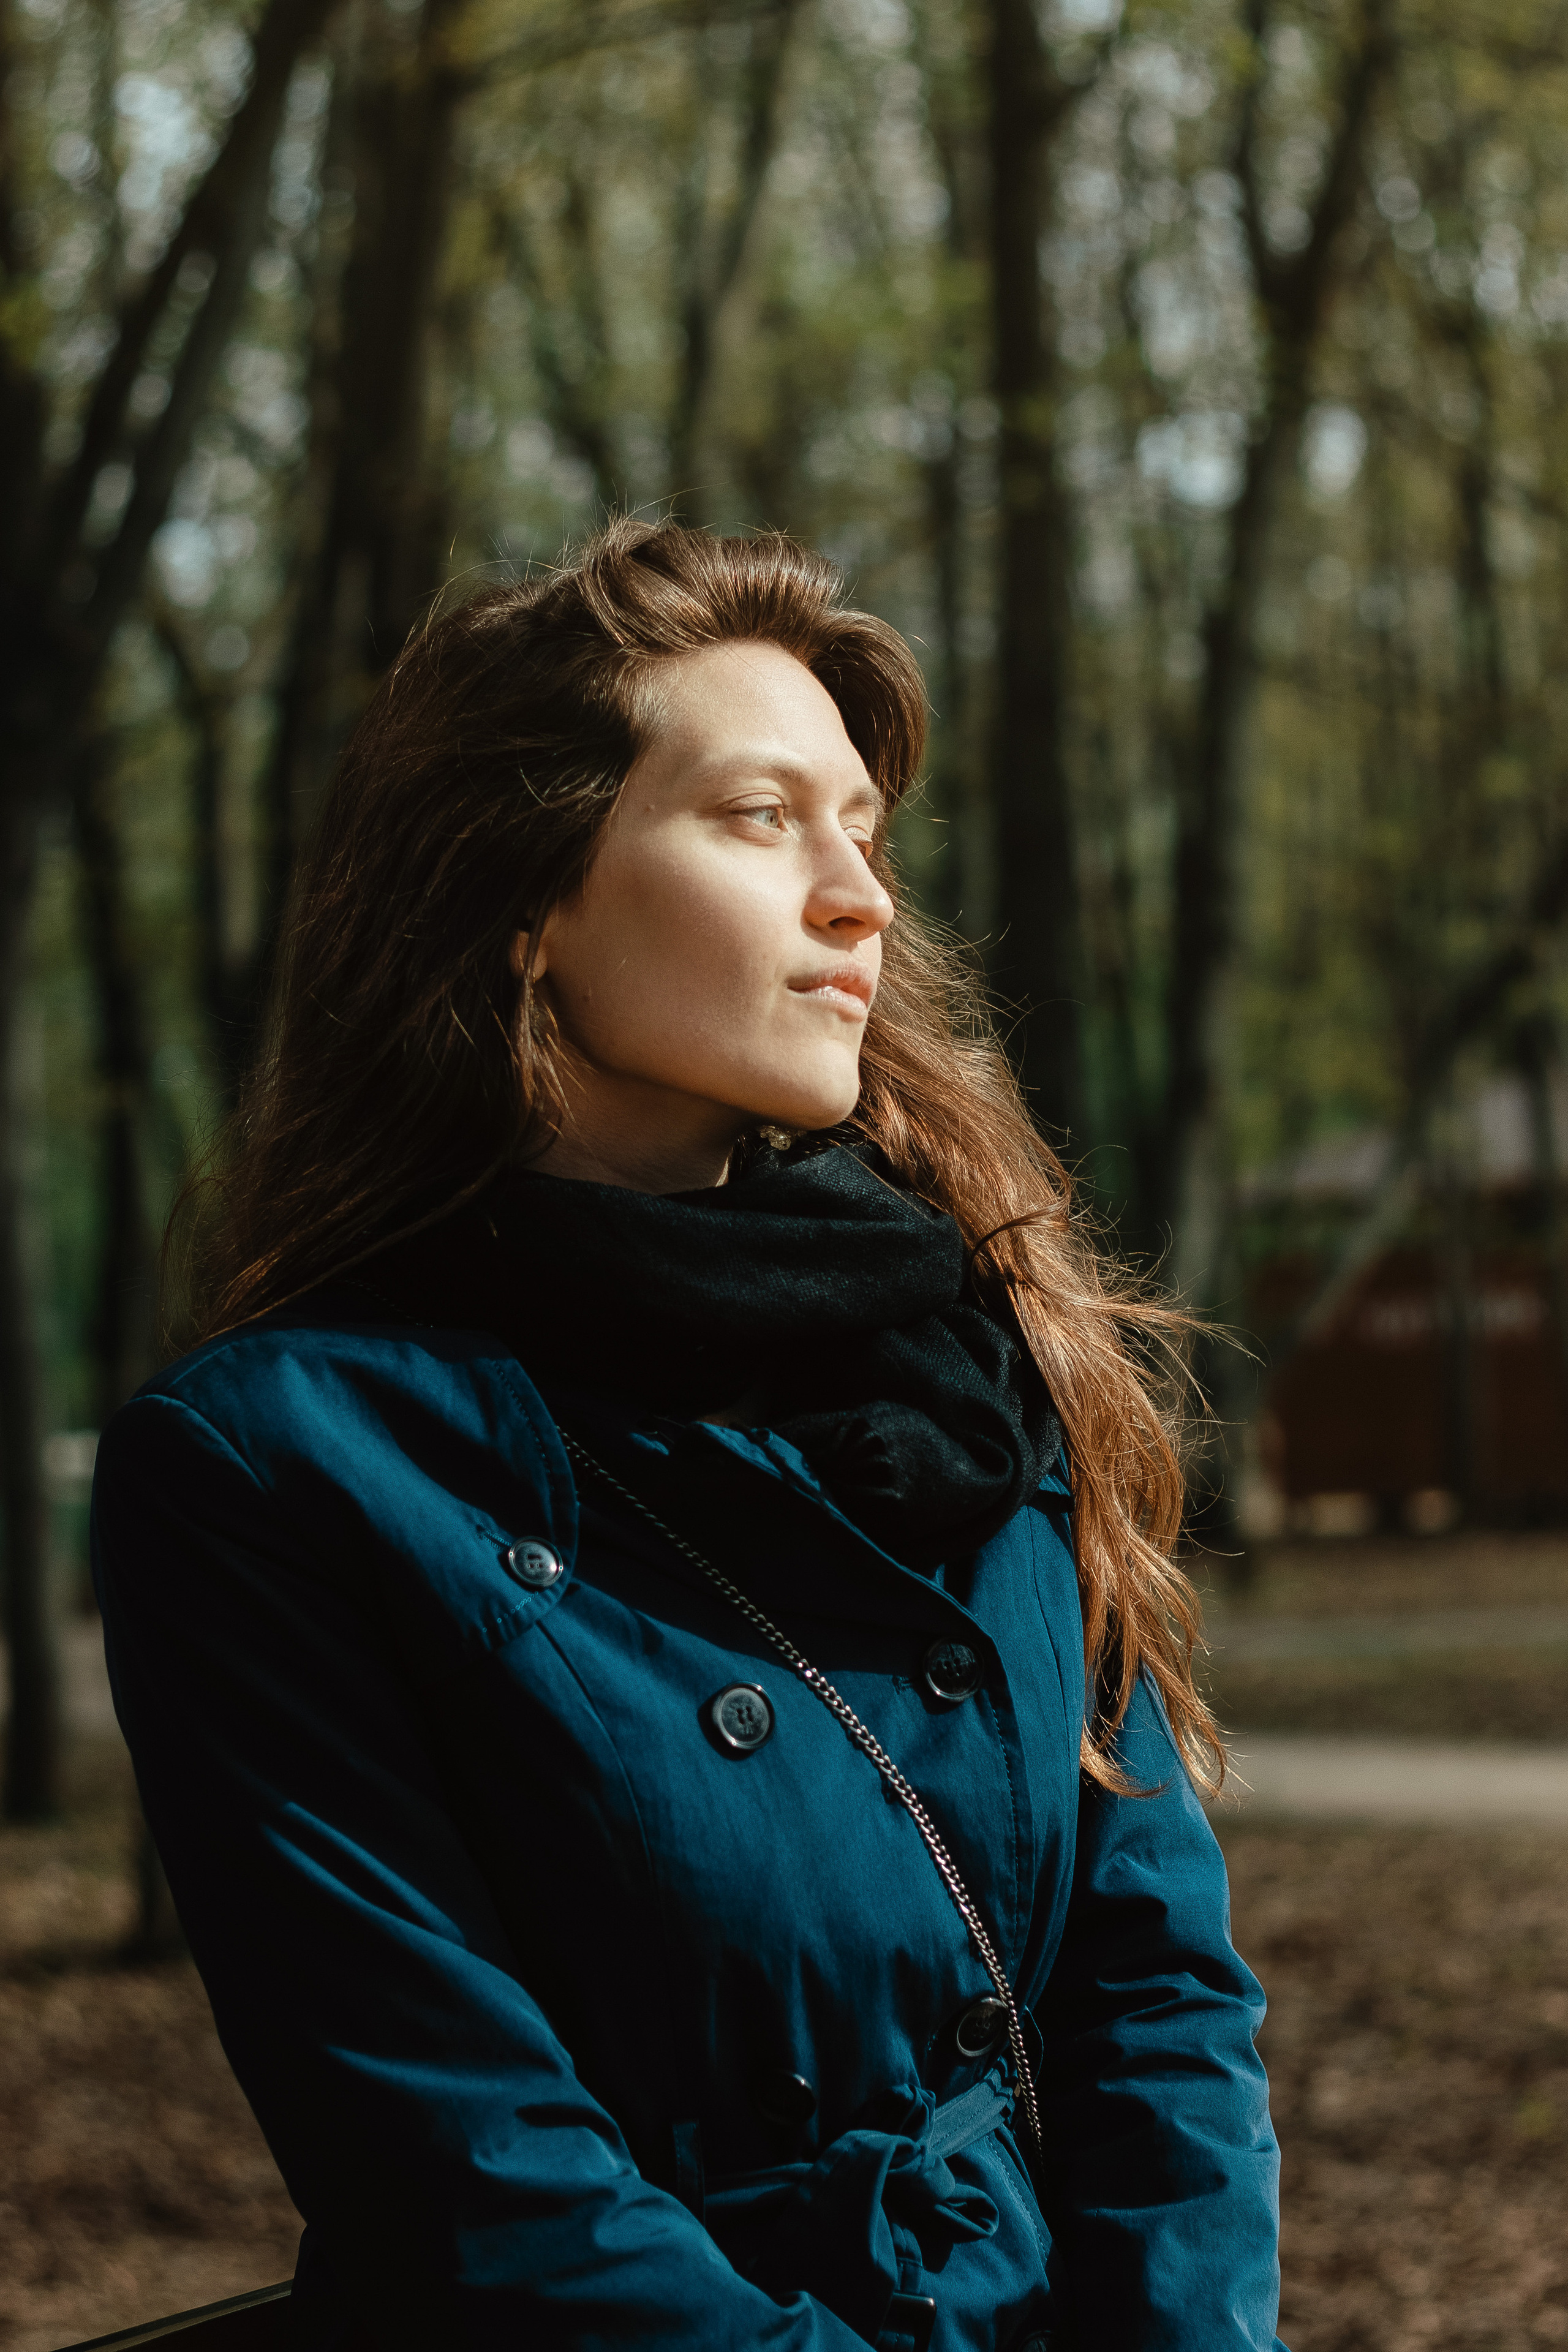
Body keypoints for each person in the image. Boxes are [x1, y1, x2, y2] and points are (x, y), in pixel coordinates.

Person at [92, 519, 1284, 2352]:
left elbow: (1159, 1995)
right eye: (758, 817)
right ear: (525, 902)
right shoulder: (281, 1468)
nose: (858, 898)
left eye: (864, 831)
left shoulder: (972, 1370)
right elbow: (473, 2179)